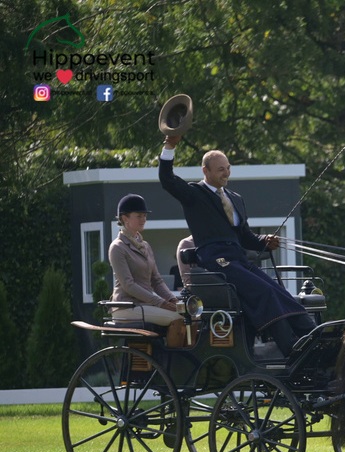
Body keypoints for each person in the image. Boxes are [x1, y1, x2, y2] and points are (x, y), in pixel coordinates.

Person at [158, 134, 314, 356]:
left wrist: (264, 242)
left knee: (279, 291)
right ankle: (291, 350)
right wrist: (169, 147)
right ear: (206, 171)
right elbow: (167, 179)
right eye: (220, 169)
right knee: (264, 292)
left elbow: (245, 237)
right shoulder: (194, 194)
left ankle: (312, 337)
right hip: (215, 260)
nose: (226, 173)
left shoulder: (235, 198)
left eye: (228, 168)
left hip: (238, 259)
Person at [108, 194, 181, 326]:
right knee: (178, 318)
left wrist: (173, 300)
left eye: (144, 216)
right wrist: (161, 303)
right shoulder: (117, 247)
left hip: (146, 305)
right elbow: (128, 285)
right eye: (139, 216)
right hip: (127, 307)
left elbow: (156, 280)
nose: (144, 219)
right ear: (125, 218)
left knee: (187, 314)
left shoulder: (145, 246)